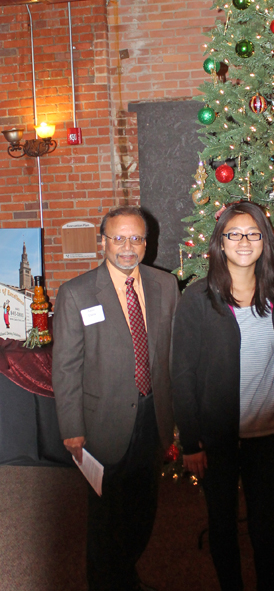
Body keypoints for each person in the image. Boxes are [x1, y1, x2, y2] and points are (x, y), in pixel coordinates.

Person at [52, 206, 179, 591]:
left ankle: (124, 574)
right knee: (104, 519)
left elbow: (171, 356)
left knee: (143, 512)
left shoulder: (165, 285)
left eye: (136, 238)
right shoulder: (76, 293)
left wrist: (177, 421)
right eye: (118, 238)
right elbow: (66, 368)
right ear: (102, 242)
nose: (128, 247)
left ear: (147, 242)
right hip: (100, 424)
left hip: (152, 418)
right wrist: (71, 428)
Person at [171, 201, 274, 591]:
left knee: (265, 527)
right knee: (222, 525)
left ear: (266, 241)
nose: (244, 241)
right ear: (220, 243)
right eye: (234, 234)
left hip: (269, 438)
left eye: (254, 233)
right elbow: (182, 374)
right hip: (217, 441)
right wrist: (190, 442)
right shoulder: (197, 299)